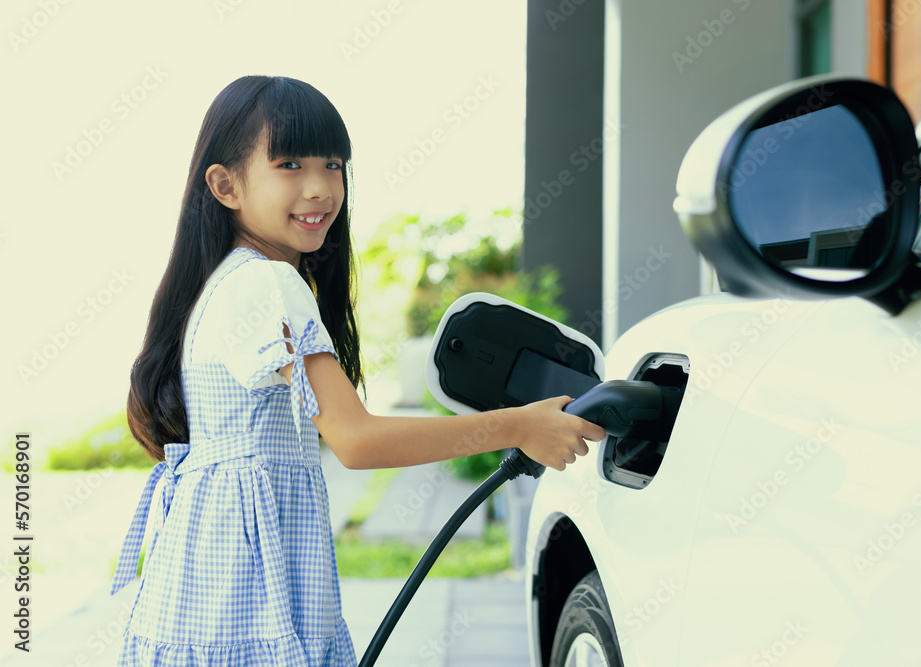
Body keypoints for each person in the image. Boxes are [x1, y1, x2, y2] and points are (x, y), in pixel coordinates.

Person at [109, 75, 606, 666]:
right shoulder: (268, 283)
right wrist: (517, 426)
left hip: (203, 594)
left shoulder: (225, 282)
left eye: (334, 165)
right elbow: (357, 439)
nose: (319, 187)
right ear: (226, 185)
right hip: (244, 602)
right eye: (289, 164)